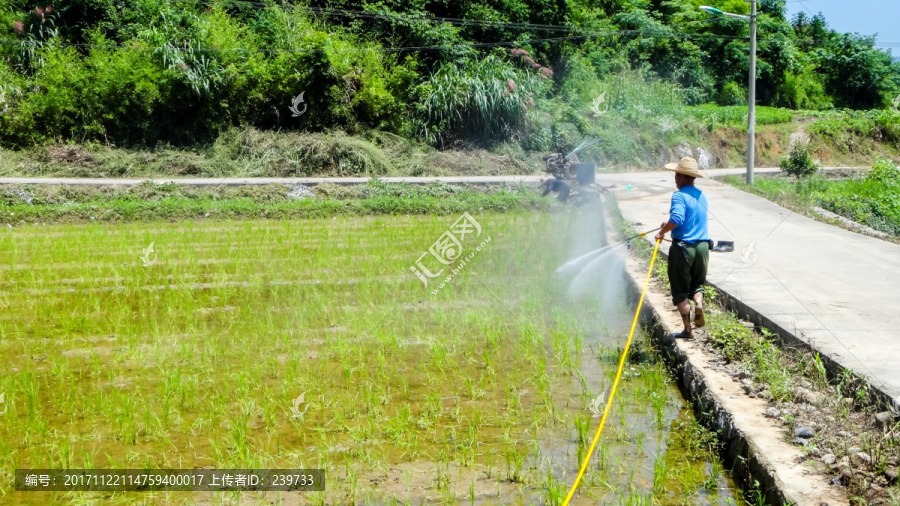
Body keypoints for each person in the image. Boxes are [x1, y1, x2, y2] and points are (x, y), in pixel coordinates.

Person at [654, 157, 712, 339]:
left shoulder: (678, 195)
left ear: (680, 177)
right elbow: (689, 220)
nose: (675, 179)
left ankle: (687, 330)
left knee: (680, 291)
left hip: (683, 249)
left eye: (675, 175)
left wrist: (662, 231)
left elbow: (678, 219)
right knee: (697, 285)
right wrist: (670, 224)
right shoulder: (702, 196)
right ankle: (699, 305)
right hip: (702, 247)